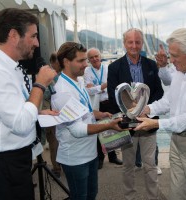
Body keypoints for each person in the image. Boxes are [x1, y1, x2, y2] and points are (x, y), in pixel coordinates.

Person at [135, 28, 186, 200]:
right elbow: (168, 101)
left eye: (175, 56)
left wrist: (156, 123)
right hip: (177, 141)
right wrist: (147, 109)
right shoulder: (180, 72)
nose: (171, 60)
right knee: (177, 194)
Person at [0, 8, 57, 200]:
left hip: (12, 159)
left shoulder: (8, 66)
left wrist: (38, 114)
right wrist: (40, 84)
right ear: (14, 35)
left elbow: (12, 110)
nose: (37, 43)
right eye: (33, 36)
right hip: (4, 161)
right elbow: (20, 123)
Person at [51, 42, 124, 200]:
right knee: (80, 197)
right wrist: (108, 126)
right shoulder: (63, 91)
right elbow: (77, 129)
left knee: (91, 194)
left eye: (86, 60)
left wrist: (100, 114)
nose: (86, 64)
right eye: (81, 61)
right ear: (66, 62)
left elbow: (86, 111)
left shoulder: (78, 81)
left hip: (89, 152)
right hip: (76, 157)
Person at [107, 28, 164, 200]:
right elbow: (112, 95)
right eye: (130, 42)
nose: (134, 45)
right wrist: (130, 109)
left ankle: (152, 197)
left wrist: (147, 109)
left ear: (141, 43)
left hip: (148, 122)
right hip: (127, 123)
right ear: (124, 43)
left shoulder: (151, 65)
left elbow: (159, 92)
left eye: (137, 42)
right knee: (128, 165)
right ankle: (129, 197)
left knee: (150, 165)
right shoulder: (114, 67)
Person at [84, 47, 123, 169]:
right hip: (97, 105)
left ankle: (112, 157)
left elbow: (113, 85)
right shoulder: (87, 71)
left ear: (100, 56)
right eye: (91, 57)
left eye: (96, 56)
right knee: (98, 130)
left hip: (109, 102)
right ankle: (100, 158)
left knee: (111, 129)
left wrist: (98, 87)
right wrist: (103, 86)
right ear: (89, 60)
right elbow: (89, 90)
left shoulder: (107, 68)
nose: (94, 59)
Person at [42, 52, 62, 178]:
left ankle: (59, 166)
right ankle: (56, 168)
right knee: (54, 142)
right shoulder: (48, 76)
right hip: (50, 113)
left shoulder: (61, 75)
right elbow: (44, 95)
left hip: (58, 112)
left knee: (58, 141)